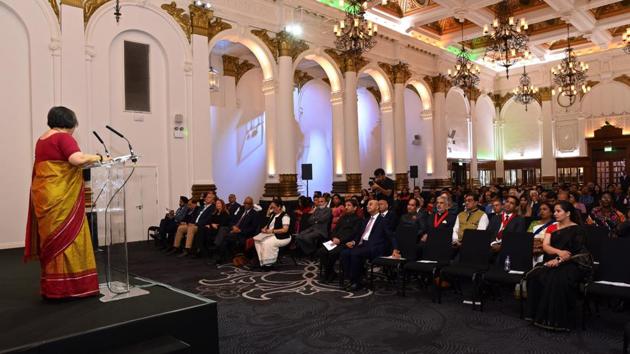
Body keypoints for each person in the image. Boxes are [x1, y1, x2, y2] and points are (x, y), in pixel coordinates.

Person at [25, 106, 110, 299]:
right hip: (62, 201)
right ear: (70, 123)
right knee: (69, 240)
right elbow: (76, 159)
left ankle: (54, 287)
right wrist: (99, 157)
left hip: (46, 197)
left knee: (53, 243)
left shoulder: (41, 139)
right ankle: (73, 288)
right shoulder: (63, 137)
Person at [526, 201, 592, 331]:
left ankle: (558, 320)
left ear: (567, 213)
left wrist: (559, 259)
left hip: (572, 263)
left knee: (557, 277)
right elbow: (545, 246)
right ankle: (536, 315)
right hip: (551, 259)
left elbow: (576, 252)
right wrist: (558, 253)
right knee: (535, 275)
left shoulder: (577, 229)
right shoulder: (552, 227)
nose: (555, 214)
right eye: (554, 211)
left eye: (558, 211)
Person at [340, 200, 394, 291]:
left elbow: (391, 235)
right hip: (362, 245)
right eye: (367, 205)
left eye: (370, 204)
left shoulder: (383, 220)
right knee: (344, 252)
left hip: (374, 247)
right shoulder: (366, 220)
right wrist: (353, 242)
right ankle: (349, 278)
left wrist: (395, 249)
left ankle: (357, 282)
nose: (367, 206)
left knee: (355, 254)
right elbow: (359, 234)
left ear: (377, 207)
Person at [317, 199, 362, 282]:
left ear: (355, 208)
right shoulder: (343, 217)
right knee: (321, 251)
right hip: (335, 241)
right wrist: (334, 237)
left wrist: (340, 240)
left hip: (345, 243)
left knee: (332, 253)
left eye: (349, 205)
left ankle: (328, 274)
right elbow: (334, 230)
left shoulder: (358, 219)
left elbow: (353, 234)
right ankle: (331, 272)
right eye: (345, 205)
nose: (346, 207)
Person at [215, 196, 259, 265]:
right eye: (245, 203)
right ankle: (222, 256)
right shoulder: (241, 211)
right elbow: (232, 220)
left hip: (242, 233)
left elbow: (253, 228)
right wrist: (233, 226)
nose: (246, 205)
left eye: (248, 203)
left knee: (225, 238)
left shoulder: (254, 214)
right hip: (234, 229)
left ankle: (220, 258)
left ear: (251, 204)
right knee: (223, 230)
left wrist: (240, 230)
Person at [170, 192, 215, 257]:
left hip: (200, 226)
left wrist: (195, 224)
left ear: (212, 199)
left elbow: (208, 219)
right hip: (194, 224)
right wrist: (190, 223)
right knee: (180, 228)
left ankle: (187, 249)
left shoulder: (212, 208)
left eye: (209, 197)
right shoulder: (202, 207)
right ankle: (176, 247)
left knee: (190, 228)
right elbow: (195, 216)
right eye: (207, 197)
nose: (207, 199)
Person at [253, 200, 291, 269]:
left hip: (283, 237)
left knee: (266, 242)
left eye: (273, 207)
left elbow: (285, 230)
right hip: (271, 234)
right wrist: (264, 229)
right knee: (257, 240)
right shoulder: (273, 214)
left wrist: (272, 231)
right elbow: (268, 224)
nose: (272, 209)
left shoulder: (285, 216)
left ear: (279, 207)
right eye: (271, 207)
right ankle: (262, 261)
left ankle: (269, 264)